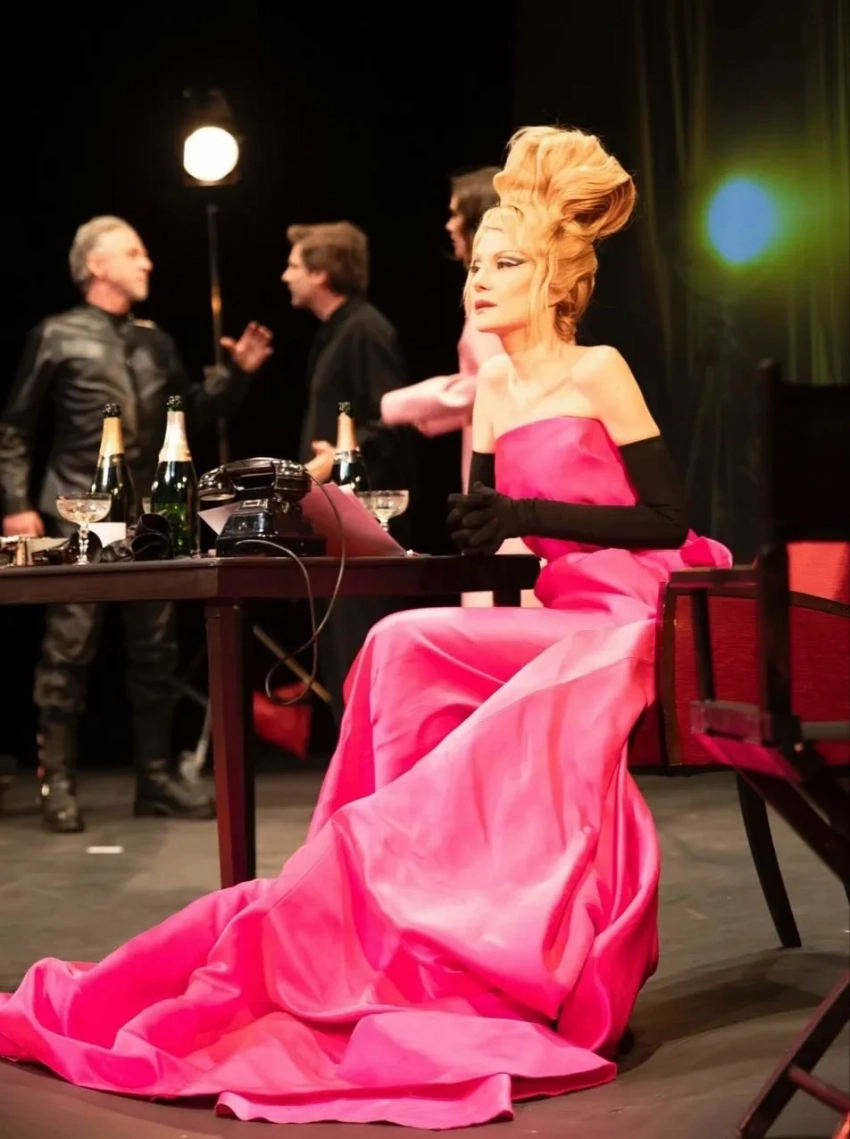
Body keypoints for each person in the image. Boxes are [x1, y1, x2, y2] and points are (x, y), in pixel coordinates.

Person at [0, 128, 732, 1128]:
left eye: (505, 265)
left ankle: (478, 920)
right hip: (553, 607)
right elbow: (491, 535)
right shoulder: (492, 389)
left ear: (554, 278)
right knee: (399, 640)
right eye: (476, 266)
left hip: (631, 608)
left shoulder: (598, 368)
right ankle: (370, 895)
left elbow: (667, 519)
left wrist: (526, 515)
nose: (479, 281)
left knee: (489, 666)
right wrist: (458, 534)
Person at [0, 216, 273, 832]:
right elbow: (16, 426)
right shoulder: (56, 335)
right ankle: (57, 781)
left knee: (155, 650)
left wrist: (238, 375)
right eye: (133, 252)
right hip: (79, 512)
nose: (146, 262)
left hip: (149, 515)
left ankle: (155, 779)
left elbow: (190, 413)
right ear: (97, 266)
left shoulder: (155, 342)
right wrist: (16, 502)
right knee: (69, 649)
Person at [381, 166, 540, 607]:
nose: (449, 225)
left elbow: (497, 380)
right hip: (505, 447)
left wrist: (402, 404)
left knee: (503, 590)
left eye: (456, 215)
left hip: (504, 455)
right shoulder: (513, 286)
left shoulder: (489, 293)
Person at [282, 221, 415, 721]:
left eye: (293, 266)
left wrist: (340, 455)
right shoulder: (336, 331)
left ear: (321, 273)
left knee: (361, 651)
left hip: (364, 526)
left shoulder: (365, 330)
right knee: (342, 657)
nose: (285, 276)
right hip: (337, 521)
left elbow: (392, 420)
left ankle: (373, 759)